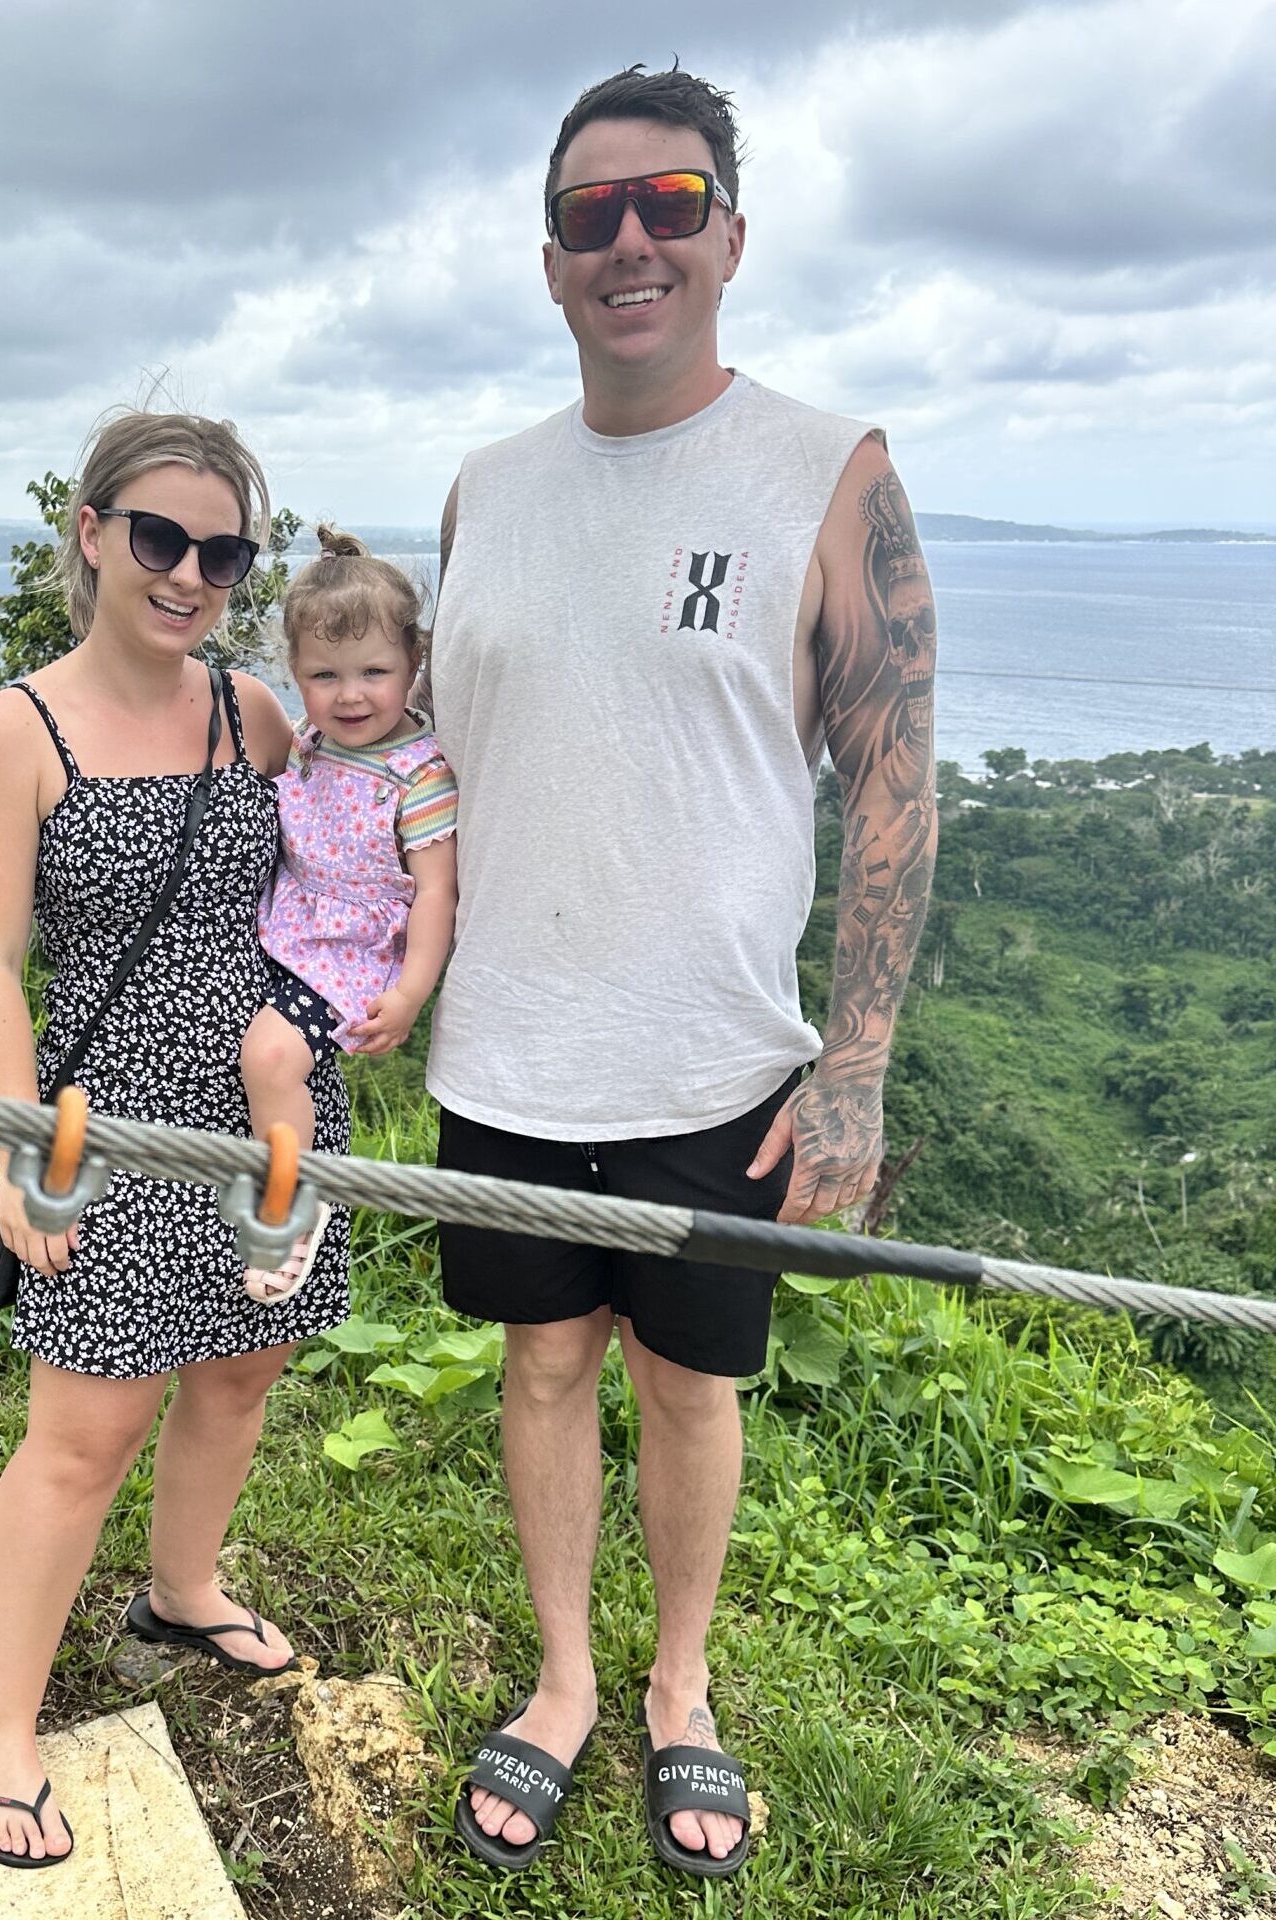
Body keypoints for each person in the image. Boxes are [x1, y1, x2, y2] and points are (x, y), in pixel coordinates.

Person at [428, 64, 939, 1878]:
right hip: (502, 1051)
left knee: (685, 1386)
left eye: (670, 203)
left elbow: (894, 772)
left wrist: (857, 1063)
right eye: (591, 213)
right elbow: (435, 766)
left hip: (719, 1062)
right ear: (551, 255)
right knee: (542, 1371)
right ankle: (564, 1678)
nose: (631, 239)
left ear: (730, 232)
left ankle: (679, 1687)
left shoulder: (827, 472)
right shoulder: (484, 490)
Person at [0, 410, 350, 1869]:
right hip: (100, 1122)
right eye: (162, 539)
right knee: (86, 1430)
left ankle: (184, 1586)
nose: (189, 575)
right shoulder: (18, 728)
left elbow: (338, 873)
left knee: (239, 1372)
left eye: (223, 553)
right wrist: (15, 1149)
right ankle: (1, 1722)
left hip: (264, 1115)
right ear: (94, 531)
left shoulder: (258, 715)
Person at [238, 525, 459, 1300]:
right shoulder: (309, 742)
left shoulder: (419, 775)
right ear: (295, 674)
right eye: (325, 675)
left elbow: (436, 892)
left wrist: (408, 993)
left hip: (350, 947)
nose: (351, 694)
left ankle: (296, 1200)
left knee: (268, 1060)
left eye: (375, 671)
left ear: (412, 666)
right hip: (285, 922)